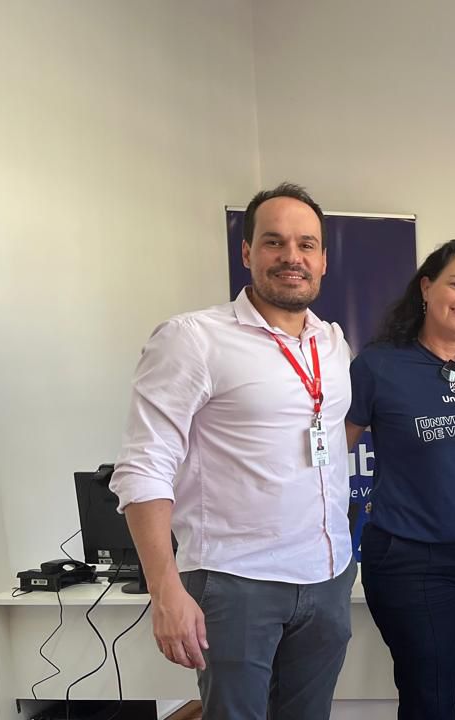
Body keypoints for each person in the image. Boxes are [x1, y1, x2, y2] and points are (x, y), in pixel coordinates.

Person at [111, 183, 356, 720]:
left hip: (327, 576)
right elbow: (144, 466)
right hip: (236, 583)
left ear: (323, 260)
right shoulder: (192, 339)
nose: (292, 256)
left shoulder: (333, 343)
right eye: (274, 242)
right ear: (246, 252)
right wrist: (164, 589)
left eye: (306, 245)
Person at [347, 239, 455, 720]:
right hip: (412, 560)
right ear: (426, 287)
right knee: (431, 704)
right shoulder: (378, 366)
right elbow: (331, 450)